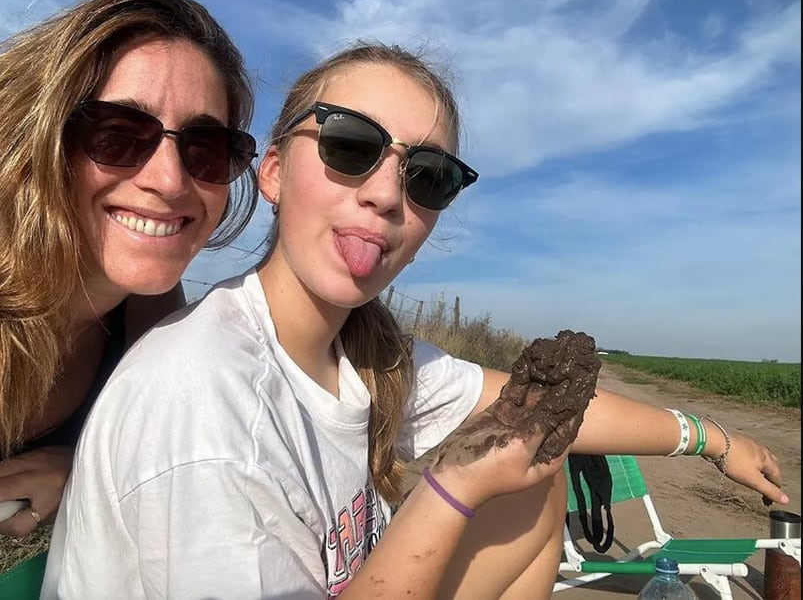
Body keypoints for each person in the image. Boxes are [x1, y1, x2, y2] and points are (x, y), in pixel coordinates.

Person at [41, 42, 788, 599]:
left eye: (427, 175)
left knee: (535, 471)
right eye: (349, 145)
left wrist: (712, 438)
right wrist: (452, 488)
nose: (387, 193)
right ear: (271, 171)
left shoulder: (362, 356)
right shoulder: (203, 402)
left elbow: (550, 409)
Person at [0, 0, 258, 539]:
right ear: (40, 138)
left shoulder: (151, 312)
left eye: (205, 147)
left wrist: (81, 466)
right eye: (117, 135)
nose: (169, 181)